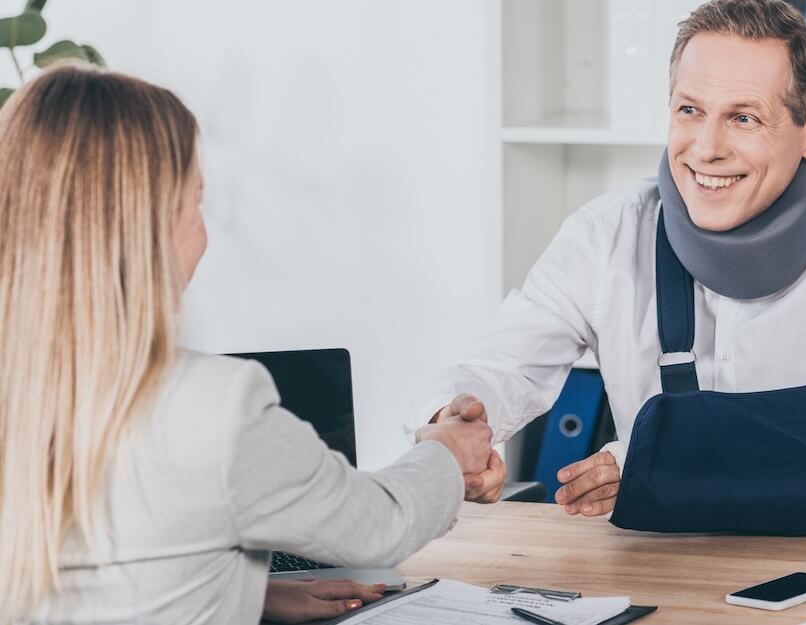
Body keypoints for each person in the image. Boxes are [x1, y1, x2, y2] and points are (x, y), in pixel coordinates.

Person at [410, 0, 806, 517]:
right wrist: (456, 423)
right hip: (663, 568)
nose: (706, 147)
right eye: (690, 110)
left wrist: (662, 463)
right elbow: (503, 363)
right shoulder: (608, 236)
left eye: (744, 117)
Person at [0, 65, 493, 624]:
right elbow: (378, 527)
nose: (202, 233)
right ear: (148, 229)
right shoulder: (212, 406)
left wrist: (240, 593)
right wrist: (447, 452)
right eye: (196, 203)